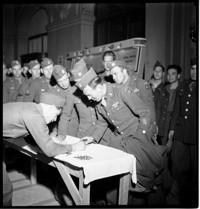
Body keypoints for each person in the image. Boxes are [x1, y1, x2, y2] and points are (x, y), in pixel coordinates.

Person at [71, 59, 167, 197]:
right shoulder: (98, 103)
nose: (90, 99)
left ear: (98, 87)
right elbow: (102, 123)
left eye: (90, 95)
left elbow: (144, 113)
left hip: (137, 137)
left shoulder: (121, 91)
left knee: (146, 178)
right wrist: (93, 137)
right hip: (121, 140)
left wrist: (142, 135)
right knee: (117, 173)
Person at [3, 91, 85, 206]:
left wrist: (47, 139)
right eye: (56, 115)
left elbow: (25, 133)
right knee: (5, 190)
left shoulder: (31, 107)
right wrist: (73, 147)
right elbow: (50, 150)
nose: (54, 119)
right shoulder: (35, 116)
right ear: (50, 107)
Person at [166, 58, 197, 206]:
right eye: (192, 68)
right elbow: (177, 108)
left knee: (195, 168)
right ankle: (177, 192)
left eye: (197, 69)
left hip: (195, 135)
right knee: (176, 162)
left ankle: (192, 198)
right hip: (180, 132)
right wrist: (172, 128)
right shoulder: (184, 84)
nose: (194, 71)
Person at [107, 60, 157, 142]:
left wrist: (149, 131)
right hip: (127, 133)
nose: (113, 77)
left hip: (142, 129)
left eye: (115, 74)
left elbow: (149, 110)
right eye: (112, 75)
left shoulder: (141, 84)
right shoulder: (117, 88)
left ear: (124, 71)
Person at [156, 64, 181, 145]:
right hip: (163, 124)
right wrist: (156, 124)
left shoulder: (182, 90)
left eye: (173, 74)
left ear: (179, 75)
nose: (170, 76)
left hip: (176, 125)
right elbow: (158, 108)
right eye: (168, 74)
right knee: (163, 149)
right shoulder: (164, 90)